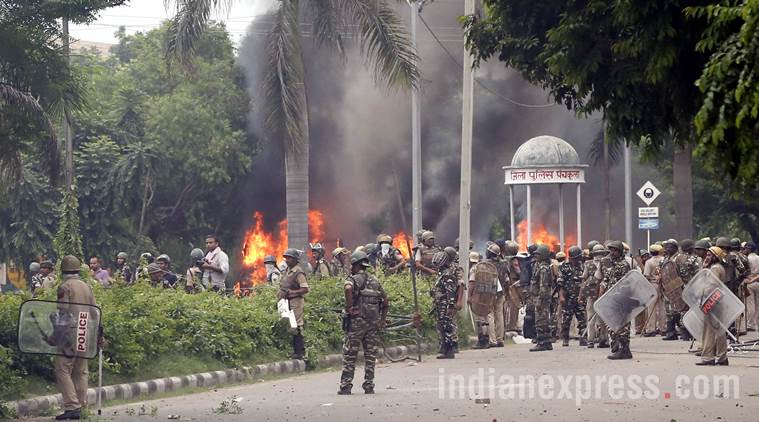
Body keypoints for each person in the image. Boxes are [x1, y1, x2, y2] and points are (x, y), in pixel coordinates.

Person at [52, 255, 100, 420]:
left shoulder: (64, 287)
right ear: (78, 269)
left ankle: (72, 407)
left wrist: (56, 334)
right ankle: (81, 405)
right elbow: (94, 312)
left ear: (62, 270)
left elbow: (62, 311)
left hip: (69, 333)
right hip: (84, 331)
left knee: (62, 369)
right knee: (81, 371)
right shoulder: (86, 286)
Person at [338, 251, 388, 395]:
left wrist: (349, 308)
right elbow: (385, 302)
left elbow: (347, 288)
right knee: (370, 356)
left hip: (356, 325)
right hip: (373, 324)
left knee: (350, 355)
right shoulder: (375, 281)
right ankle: (369, 385)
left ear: (355, 265)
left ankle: (346, 386)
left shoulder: (353, 279)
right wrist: (382, 320)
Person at [599, 241, 633, 360]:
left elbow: (625, 284)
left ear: (620, 252)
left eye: (614, 250)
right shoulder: (611, 265)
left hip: (621, 299)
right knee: (612, 325)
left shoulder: (623, 265)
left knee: (622, 325)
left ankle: (624, 350)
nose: (612, 253)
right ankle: (616, 348)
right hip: (611, 299)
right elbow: (605, 281)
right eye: (611, 250)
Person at [697, 246, 729, 366]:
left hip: (712, 302)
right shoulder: (716, 267)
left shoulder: (715, 268)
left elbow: (710, 286)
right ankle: (722, 357)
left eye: (710, 255)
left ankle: (708, 357)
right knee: (719, 330)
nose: (707, 257)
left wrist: (701, 295)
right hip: (717, 302)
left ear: (716, 257)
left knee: (709, 331)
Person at [279, 248, 309, 360]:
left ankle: (300, 352)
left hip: (296, 302)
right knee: (290, 325)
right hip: (287, 302)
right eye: (286, 258)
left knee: (296, 325)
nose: (287, 260)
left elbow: (305, 289)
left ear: (296, 260)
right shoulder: (288, 270)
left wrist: (293, 292)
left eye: (290, 258)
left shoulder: (298, 272)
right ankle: (295, 351)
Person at [468, 247, 499, 349]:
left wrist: (469, 296)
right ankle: (486, 340)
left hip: (478, 296)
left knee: (479, 319)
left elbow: (472, 283)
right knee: (485, 317)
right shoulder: (486, 268)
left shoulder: (474, 269)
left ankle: (482, 341)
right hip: (488, 296)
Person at [558, 246, 588, 347]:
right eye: (574, 258)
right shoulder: (564, 267)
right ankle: (565, 339)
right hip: (568, 298)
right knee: (566, 319)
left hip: (580, 297)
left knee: (582, 319)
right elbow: (560, 283)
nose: (576, 260)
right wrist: (561, 296)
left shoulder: (583, 266)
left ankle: (583, 338)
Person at [580, 243, 607, 348]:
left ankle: (602, 339)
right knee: (591, 318)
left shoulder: (606, 263)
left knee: (602, 318)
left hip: (603, 292)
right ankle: (591, 339)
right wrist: (581, 295)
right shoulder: (588, 263)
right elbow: (584, 279)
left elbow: (583, 279)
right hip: (591, 293)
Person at [530, 245, 554, 352]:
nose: (536, 256)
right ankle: (547, 342)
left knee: (541, 320)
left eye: (538, 254)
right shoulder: (540, 266)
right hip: (541, 298)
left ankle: (542, 342)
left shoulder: (543, 268)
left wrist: (539, 299)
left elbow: (543, 286)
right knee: (544, 319)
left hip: (542, 299)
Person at [484, 243, 507, 347]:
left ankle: (492, 340)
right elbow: (507, 279)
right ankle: (500, 339)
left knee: (490, 314)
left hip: (489, 292)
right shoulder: (504, 263)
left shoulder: (486, 264)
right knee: (499, 315)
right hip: (501, 292)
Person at [643, 244, 666, 337]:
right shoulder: (664, 260)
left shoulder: (649, 262)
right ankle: (663, 328)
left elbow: (646, 275)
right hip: (663, 284)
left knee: (651, 307)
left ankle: (651, 329)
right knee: (662, 307)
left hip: (652, 284)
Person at [502, 241, 522, 333]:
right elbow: (518, 271)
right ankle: (512, 325)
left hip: (505, 283)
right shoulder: (514, 260)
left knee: (506, 304)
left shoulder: (504, 259)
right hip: (513, 284)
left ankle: (506, 325)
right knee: (514, 304)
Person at [743, 242, 759, 332]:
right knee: (758, 305)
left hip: (749, 283)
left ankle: (751, 324)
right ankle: (757, 324)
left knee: (750, 305)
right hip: (758, 282)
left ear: (748, 249)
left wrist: (750, 280)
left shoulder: (746, 259)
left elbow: (744, 273)